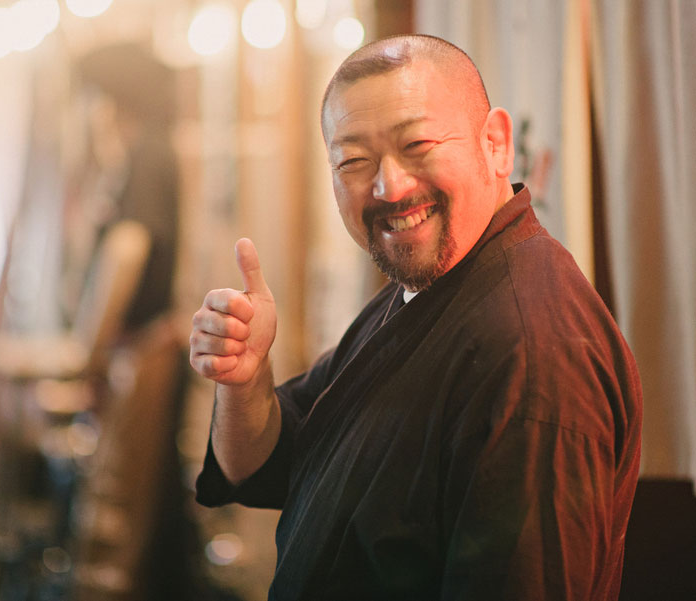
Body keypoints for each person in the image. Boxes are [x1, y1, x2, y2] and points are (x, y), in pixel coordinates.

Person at [188, 34, 642, 600]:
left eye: (418, 144)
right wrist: (243, 377)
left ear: (496, 144)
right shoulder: (424, 289)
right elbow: (267, 460)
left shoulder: (533, 353)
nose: (389, 186)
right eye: (353, 160)